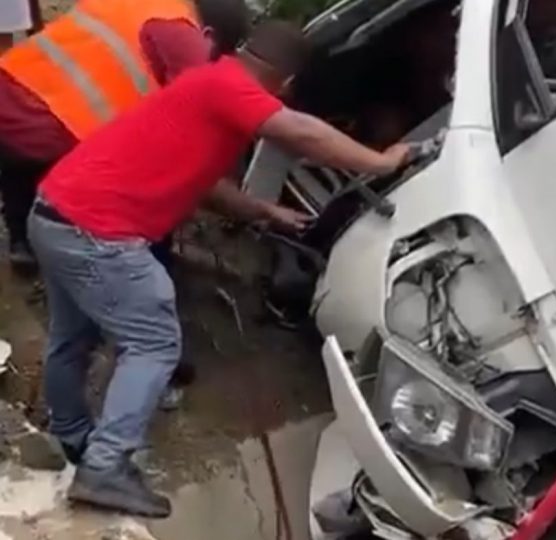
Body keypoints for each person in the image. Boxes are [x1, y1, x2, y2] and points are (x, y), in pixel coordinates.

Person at [27, 20, 410, 518]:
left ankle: (73, 436)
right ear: (287, 83)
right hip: (97, 232)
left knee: (72, 336)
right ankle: (103, 467)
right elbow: (299, 132)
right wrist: (382, 164)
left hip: (55, 212)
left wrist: (263, 212)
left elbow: (203, 181)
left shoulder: (206, 84)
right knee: (154, 341)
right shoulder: (231, 87)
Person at [0, 0, 252, 268]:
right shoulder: (186, 39)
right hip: (58, 128)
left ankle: (22, 241)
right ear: (210, 35)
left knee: (20, 159)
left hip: (11, 86)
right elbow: (198, 124)